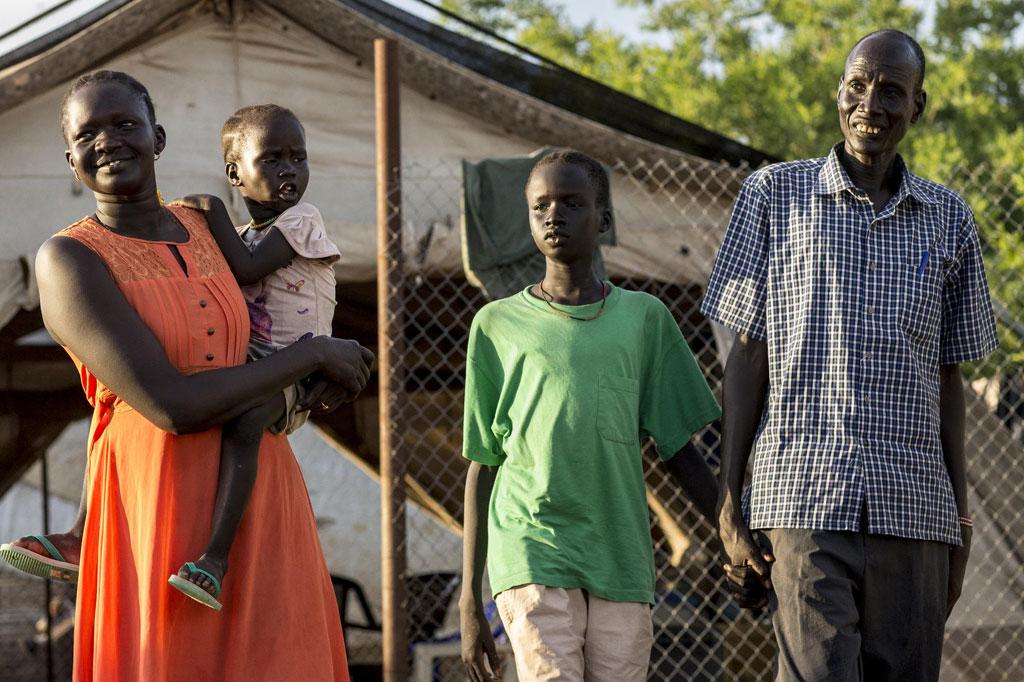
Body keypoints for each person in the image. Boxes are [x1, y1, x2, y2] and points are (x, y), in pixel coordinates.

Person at [8, 70, 370, 680]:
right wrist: (314, 356)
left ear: (158, 138)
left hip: (256, 484)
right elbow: (171, 405)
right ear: (71, 160)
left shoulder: (209, 228)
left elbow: (282, 314)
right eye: (87, 134)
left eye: (125, 123)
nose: (108, 140)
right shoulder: (69, 259)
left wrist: (333, 372)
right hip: (152, 496)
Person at [702, 30, 998, 681]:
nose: (871, 104)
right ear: (838, 92)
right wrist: (729, 503)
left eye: (891, 91)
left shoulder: (949, 218)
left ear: (918, 105)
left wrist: (960, 519)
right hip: (802, 500)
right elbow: (748, 356)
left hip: (914, 507)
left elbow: (949, 376)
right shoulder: (773, 196)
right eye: (857, 86)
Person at [459, 149, 722, 682]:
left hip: (620, 555)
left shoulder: (644, 319)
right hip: (532, 547)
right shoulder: (496, 325)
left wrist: (731, 530)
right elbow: (483, 464)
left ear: (603, 219)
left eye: (572, 203)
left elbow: (677, 449)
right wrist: (470, 598)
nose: (554, 215)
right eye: (541, 206)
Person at [166, 103, 342, 609]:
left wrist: (211, 210)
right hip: (257, 367)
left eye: (298, 158)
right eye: (272, 159)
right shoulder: (244, 237)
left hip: (299, 369)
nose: (290, 169)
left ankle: (215, 559)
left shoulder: (302, 220)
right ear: (235, 174)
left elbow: (247, 270)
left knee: (245, 425)